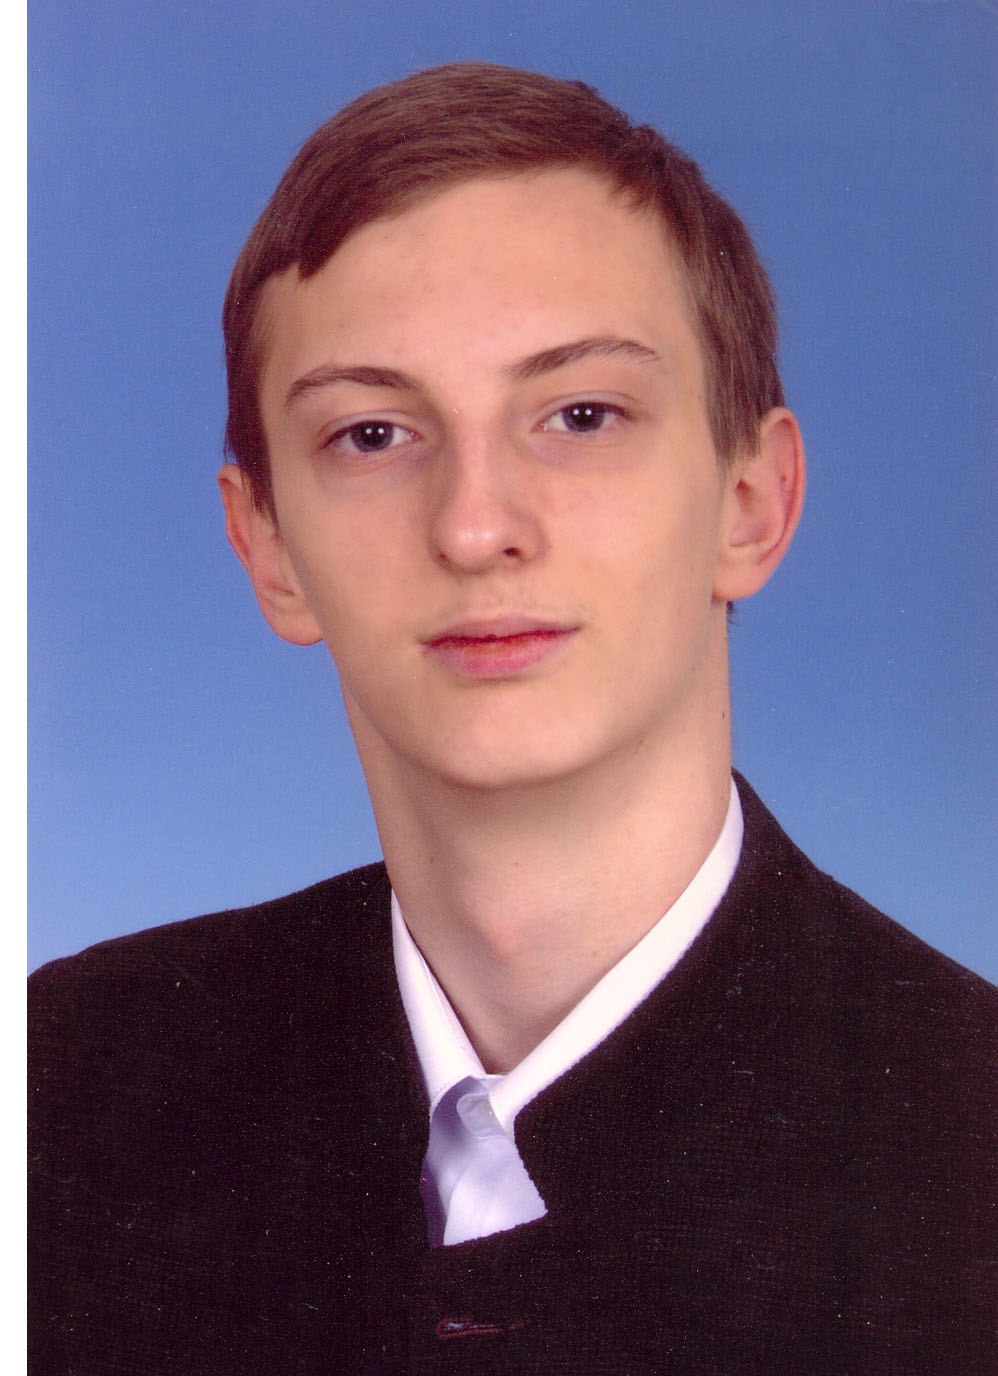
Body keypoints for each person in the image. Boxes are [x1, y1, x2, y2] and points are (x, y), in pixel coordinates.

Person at [29, 63, 993, 1374]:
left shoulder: (969, 1137)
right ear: (268, 548)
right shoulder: (62, 1088)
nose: (476, 527)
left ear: (751, 504)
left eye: (581, 415)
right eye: (373, 435)